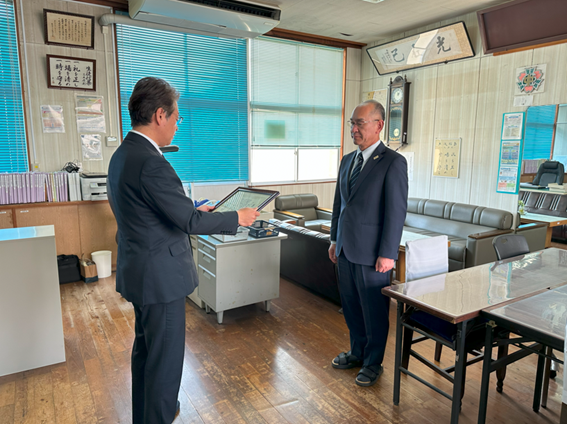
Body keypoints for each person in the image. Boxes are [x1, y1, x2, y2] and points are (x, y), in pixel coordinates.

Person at [107, 77, 259, 424]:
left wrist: (192, 209)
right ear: (160, 115)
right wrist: (237, 217)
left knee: (146, 354)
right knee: (165, 365)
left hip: (140, 272)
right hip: (161, 279)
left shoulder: (123, 154)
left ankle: (145, 416)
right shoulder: (152, 162)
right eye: (176, 118)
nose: (177, 126)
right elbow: (189, 222)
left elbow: (152, 209)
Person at [328, 99, 408, 387]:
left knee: (374, 311)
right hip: (345, 249)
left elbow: (396, 212)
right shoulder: (347, 160)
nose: (354, 129)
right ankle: (357, 352)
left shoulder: (393, 162)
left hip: (374, 254)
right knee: (351, 307)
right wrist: (334, 238)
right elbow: (339, 205)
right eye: (352, 123)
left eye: (359, 123)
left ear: (379, 125)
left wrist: (388, 253)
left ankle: (373, 362)